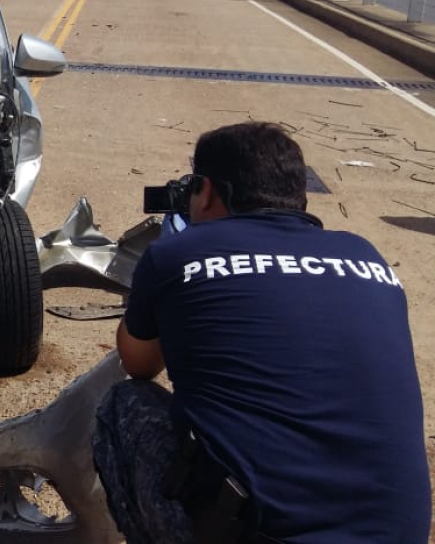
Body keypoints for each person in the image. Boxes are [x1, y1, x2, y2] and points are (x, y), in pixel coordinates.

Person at [92, 122, 430, 544]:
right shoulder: (365, 255)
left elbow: (137, 362)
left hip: (259, 535)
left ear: (209, 191)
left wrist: (167, 285)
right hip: (398, 534)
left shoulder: (176, 253)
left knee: (122, 403)